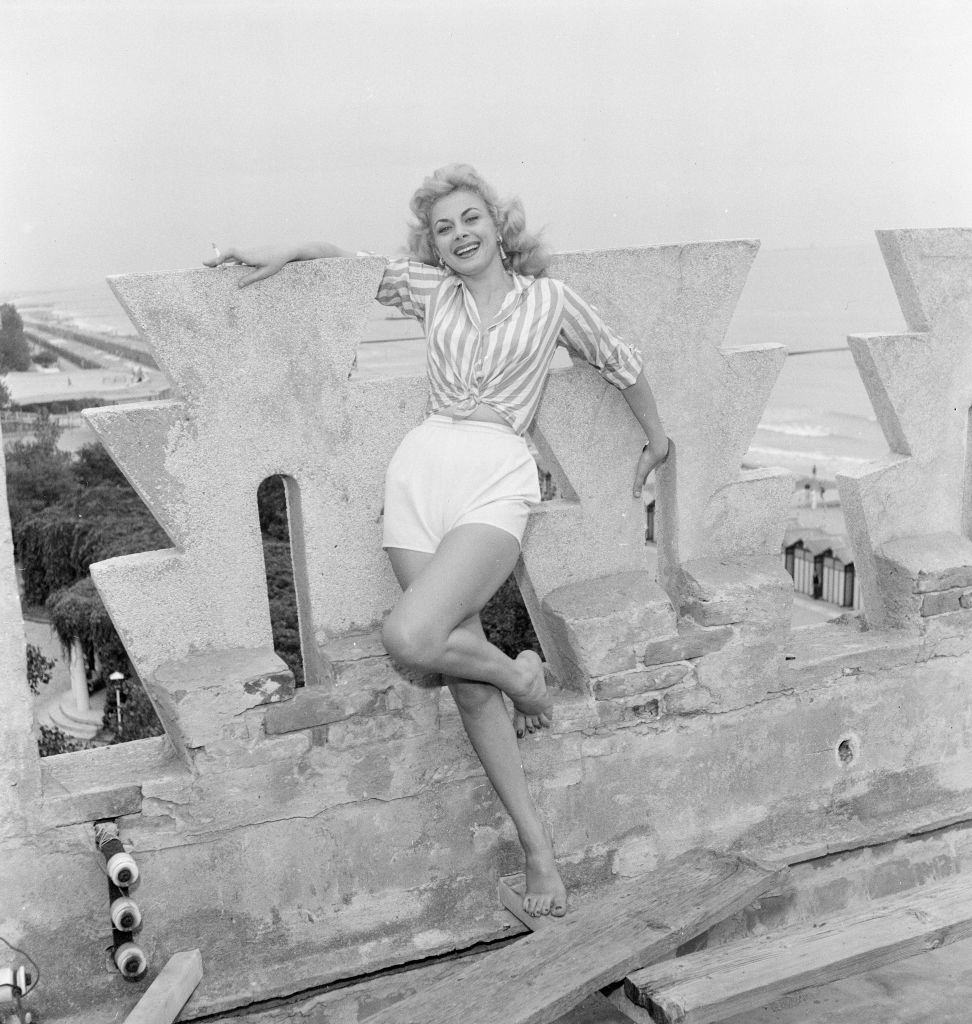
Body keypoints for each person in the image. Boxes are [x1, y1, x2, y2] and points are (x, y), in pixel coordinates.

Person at [205, 164, 670, 919]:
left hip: (496, 474)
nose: (459, 234)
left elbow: (620, 360)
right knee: (466, 677)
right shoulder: (432, 293)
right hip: (418, 475)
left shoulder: (549, 300)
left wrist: (658, 438)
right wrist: (285, 252)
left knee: (412, 637)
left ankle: (522, 681)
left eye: (470, 218)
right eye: (444, 228)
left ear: (498, 222)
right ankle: (537, 846)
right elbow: (347, 264)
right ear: (435, 244)